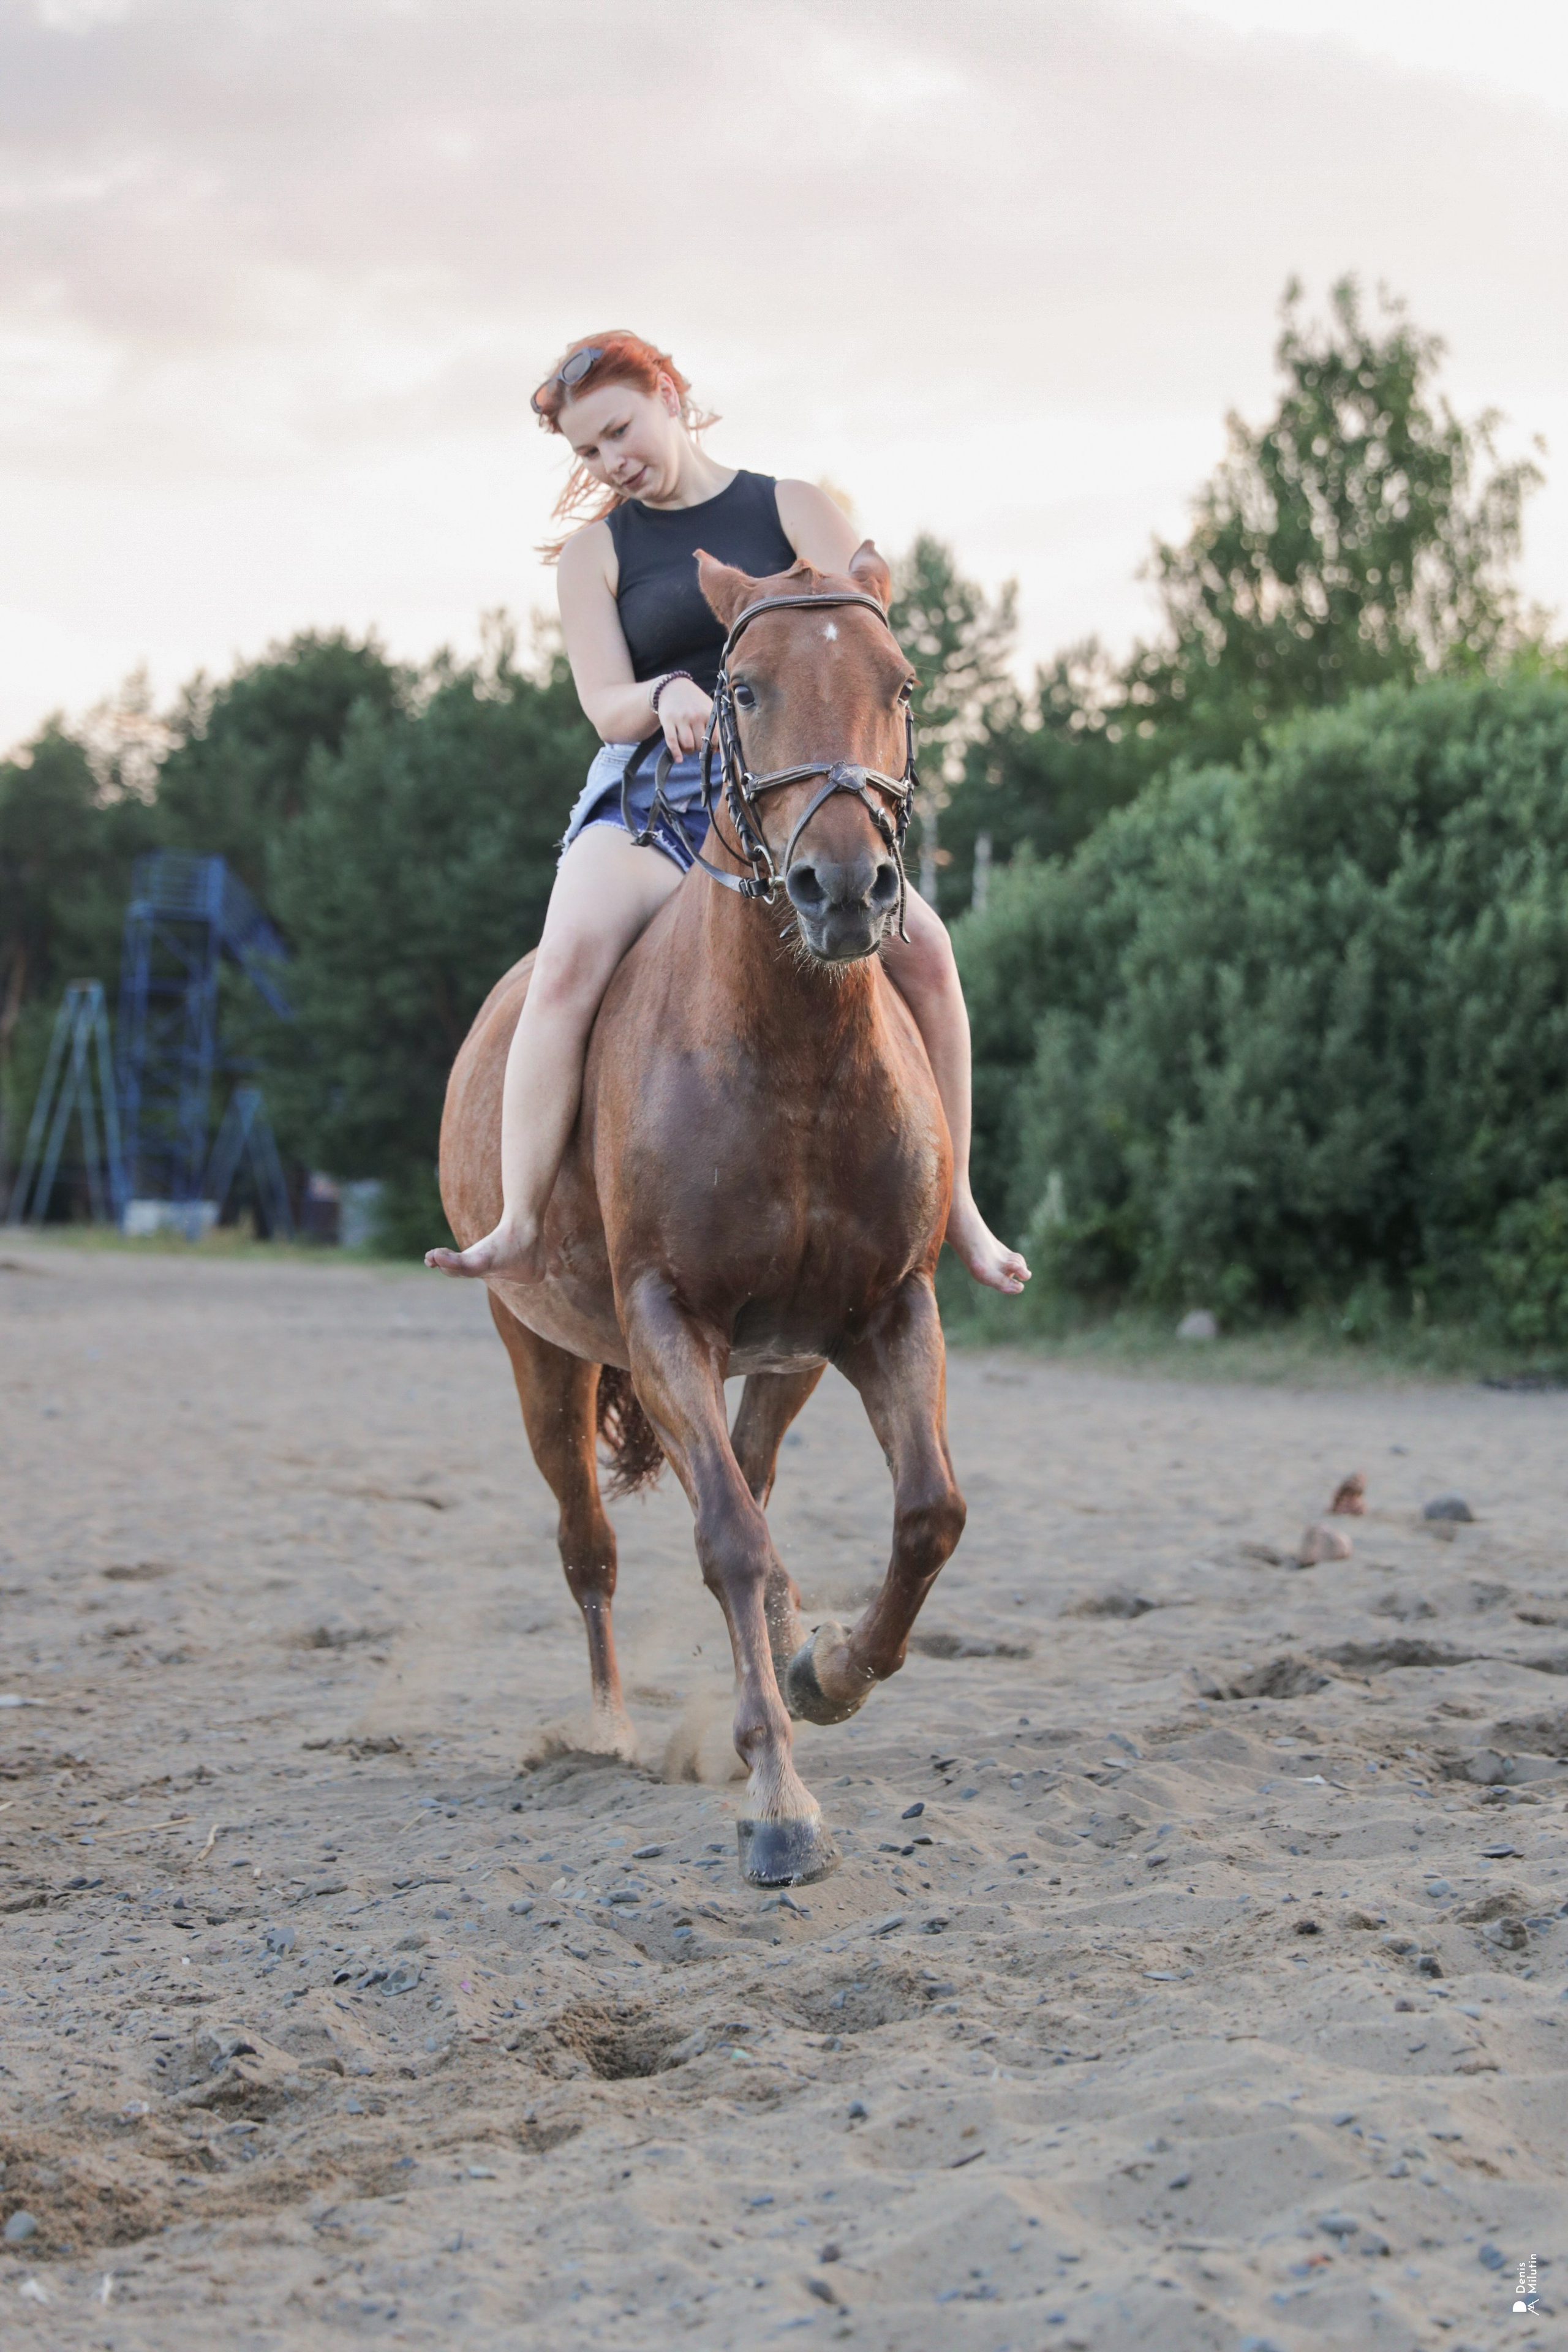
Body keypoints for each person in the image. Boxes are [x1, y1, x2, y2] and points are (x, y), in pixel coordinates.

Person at [426, 331, 1029, 1295]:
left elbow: (863, 633)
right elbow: (603, 702)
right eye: (587, 451)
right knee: (569, 961)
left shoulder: (793, 507)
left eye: (619, 428)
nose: (610, 460)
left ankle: (958, 1206)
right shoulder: (595, 556)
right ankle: (522, 1219)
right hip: (653, 794)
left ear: (669, 393)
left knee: (928, 951)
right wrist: (663, 693)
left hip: (797, 794)